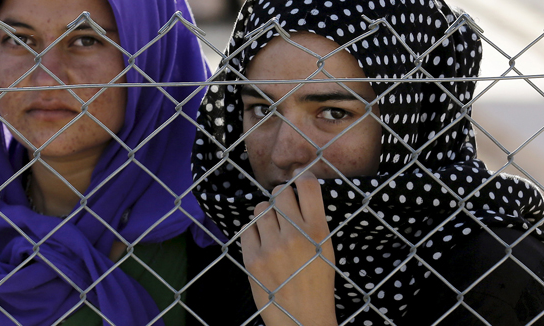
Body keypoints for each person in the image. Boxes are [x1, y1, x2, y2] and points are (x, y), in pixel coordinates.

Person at [192, 0, 544, 325]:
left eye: (333, 113)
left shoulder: (498, 272)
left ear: (411, 118)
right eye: (263, 109)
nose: (284, 153)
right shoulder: (222, 239)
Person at [0, 0, 241, 325]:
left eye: (85, 40)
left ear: (151, 49)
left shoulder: (221, 222)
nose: (46, 77)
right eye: (18, 39)